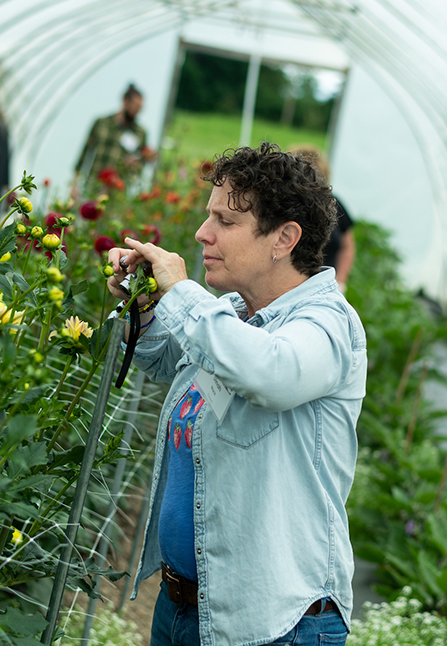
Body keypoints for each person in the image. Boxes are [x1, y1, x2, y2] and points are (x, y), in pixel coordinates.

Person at [109, 143, 361, 645]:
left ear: (284, 238)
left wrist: (182, 294)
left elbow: (269, 372)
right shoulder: (235, 314)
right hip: (186, 608)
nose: (203, 233)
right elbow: (173, 362)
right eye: (209, 217)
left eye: (225, 221)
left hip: (274, 625)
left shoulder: (327, 326)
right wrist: (144, 308)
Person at [288, 144, 356, 287]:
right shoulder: (283, 207)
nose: (309, 181)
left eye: (315, 174)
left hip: (325, 285)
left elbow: (347, 247)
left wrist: (341, 282)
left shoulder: (334, 205)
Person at [77, 84, 155, 180]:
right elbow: (85, 153)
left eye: (139, 108)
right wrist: (75, 183)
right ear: (125, 101)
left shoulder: (140, 133)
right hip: (95, 183)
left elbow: (140, 164)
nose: (136, 112)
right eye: (135, 107)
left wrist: (138, 163)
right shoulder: (102, 123)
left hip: (118, 190)